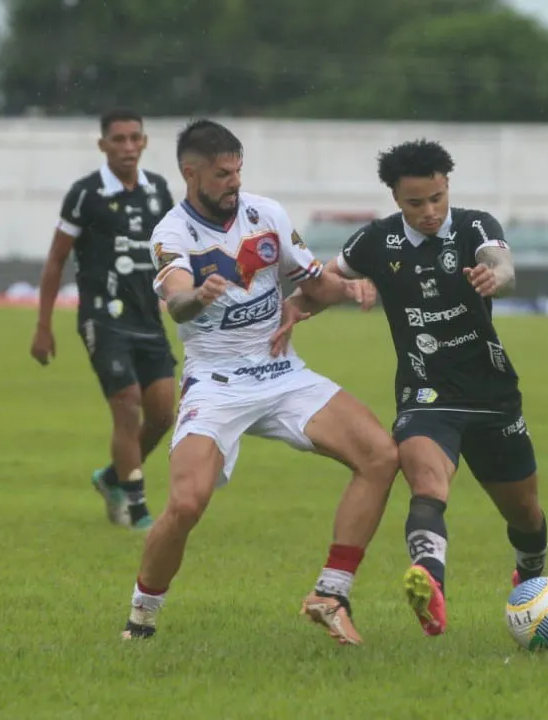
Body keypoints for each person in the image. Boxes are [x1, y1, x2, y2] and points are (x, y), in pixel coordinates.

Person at [121, 119, 400, 645]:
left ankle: (330, 593)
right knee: (185, 504)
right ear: (191, 172)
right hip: (216, 384)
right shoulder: (171, 233)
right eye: (223, 173)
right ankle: (142, 616)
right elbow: (176, 300)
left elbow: (314, 282)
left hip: (281, 373)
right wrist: (197, 296)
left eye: (238, 170)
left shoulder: (265, 215)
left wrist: (355, 288)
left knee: (382, 455)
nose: (234, 181)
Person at [275, 139, 548, 637]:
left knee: (526, 514)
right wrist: (298, 304)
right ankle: (430, 584)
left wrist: (495, 277)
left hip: (492, 396)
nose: (429, 212)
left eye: (437, 198)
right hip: (426, 394)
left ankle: (530, 575)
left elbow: (503, 267)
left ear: (448, 187)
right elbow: (329, 280)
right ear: (396, 199)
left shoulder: (474, 226)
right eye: (415, 203)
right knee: (426, 483)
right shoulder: (376, 242)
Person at [31, 108, 178, 530]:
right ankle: (137, 509)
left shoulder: (159, 191)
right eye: (119, 139)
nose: (128, 147)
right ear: (103, 145)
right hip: (103, 317)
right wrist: (43, 326)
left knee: (163, 415)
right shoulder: (86, 194)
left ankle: (112, 478)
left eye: (135, 138)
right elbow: (57, 259)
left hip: (148, 319)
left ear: (145, 141)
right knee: (127, 407)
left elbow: (172, 247)